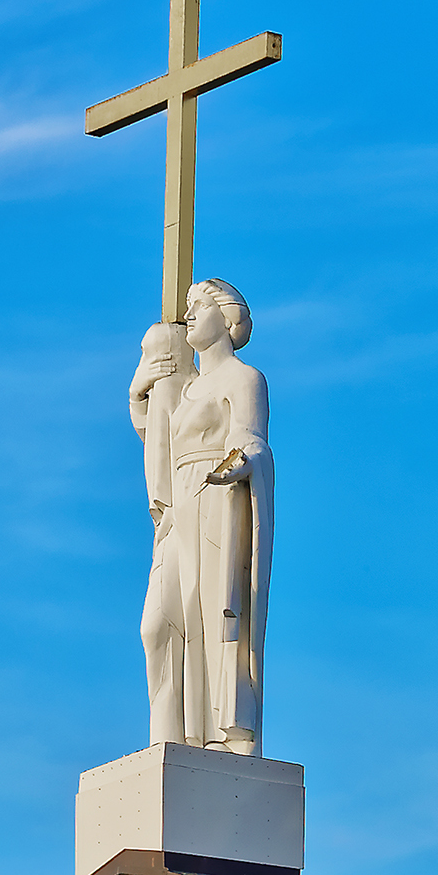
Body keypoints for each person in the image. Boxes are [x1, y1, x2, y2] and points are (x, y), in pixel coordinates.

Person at [135, 278, 273, 753]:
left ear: (226, 316)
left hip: (217, 499)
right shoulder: (185, 388)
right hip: (180, 509)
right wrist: (140, 393)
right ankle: (172, 733)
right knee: (159, 624)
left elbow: (252, 438)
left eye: (199, 306)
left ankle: (226, 730)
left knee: (217, 614)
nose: (189, 315)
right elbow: (158, 440)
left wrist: (239, 462)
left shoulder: (244, 378)